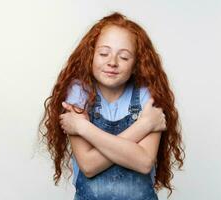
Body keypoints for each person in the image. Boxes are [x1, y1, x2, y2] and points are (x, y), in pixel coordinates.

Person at [38, 11, 185, 200]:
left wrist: (83, 127)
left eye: (124, 57)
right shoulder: (79, 92)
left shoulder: (148, 94)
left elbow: (144, 162)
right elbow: (89, 165)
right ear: (91, 55)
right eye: (104, 53)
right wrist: (144, 125)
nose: (112, 62)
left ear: (136, 65)